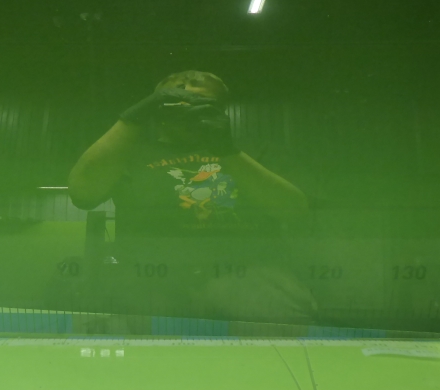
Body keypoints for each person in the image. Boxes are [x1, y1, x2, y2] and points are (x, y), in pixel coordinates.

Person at [67, 70, 316, 324]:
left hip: (248, 275)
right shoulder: (125, 153)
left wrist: (227, 150)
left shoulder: (254, 151)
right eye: (174, 103)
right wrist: (133, 118)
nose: (188, 111)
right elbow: (82, 194)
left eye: (203, 103)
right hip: (150, 278)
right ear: (157, 109)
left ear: (221, 109)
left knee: (274, 328)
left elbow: (294, 211)